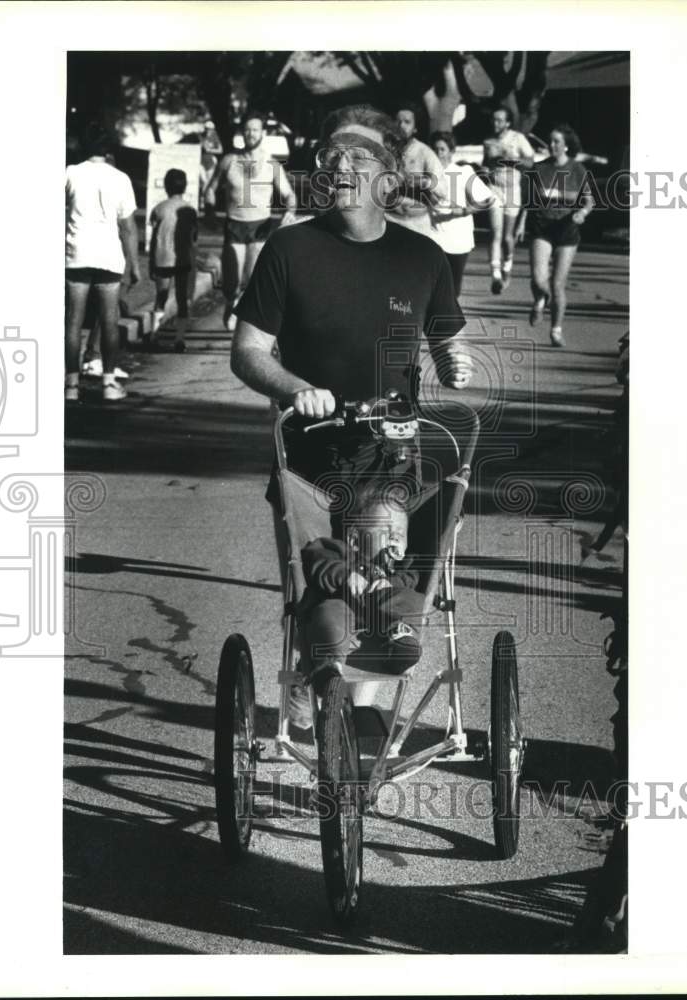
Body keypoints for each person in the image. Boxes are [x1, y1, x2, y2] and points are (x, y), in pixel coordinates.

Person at [229, 103, 472, 703]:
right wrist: (295, 389)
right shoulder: (288, 250)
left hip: (387, 451)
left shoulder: (422, 257)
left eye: (357, 157)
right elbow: (248, 351)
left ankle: (354, 717)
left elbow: (446, 336)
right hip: (307, 450)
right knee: (319, 585)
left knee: (376, 571)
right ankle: (328, 694)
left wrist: (454, 363)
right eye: (329, 156)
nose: (339, 166)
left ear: (388, 178)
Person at [289, 485, 424, 726]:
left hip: (383, 631)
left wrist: (389, 582)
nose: (393, 537)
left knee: (414, 601)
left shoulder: (405, 568)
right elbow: (315, 557)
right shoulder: (339, 552)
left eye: (400, 534)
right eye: (384, 530)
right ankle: (325, 671)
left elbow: (411, 581)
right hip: (341, 611)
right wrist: (346, 575)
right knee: (328, 614)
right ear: (354, 539)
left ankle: (402, 645)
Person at [65, 126, 140, 402]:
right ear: (108, 150)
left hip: (77, 254)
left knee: (73, 320)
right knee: (109, 320)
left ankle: (71, 385)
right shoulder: (120, 178)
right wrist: (135, 263)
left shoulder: (70, 173)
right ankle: (109, 383)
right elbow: (128, 227)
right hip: (109, 256)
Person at [216, 110, 298, 331]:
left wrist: (289, 211)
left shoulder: (272, 165)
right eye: (247, 130)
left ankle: (245, 322)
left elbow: (290, 195)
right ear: (242, 133)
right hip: (234, 224)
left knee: (251, 280)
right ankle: (230, 301)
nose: (251, 134)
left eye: (255, 130)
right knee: (231, 282)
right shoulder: (229, 161)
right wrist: (207, 212)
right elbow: (210, 189)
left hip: (260, 226)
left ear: (262, 133)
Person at [523, 123, 595, 347]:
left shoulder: (577, 170)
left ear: (566, 146)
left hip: (566, 231)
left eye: (556, 142)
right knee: (538, 278)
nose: (551, 145)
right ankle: (539, 300)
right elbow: (529, 202)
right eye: (550, 141)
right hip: (541, 228)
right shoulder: (538, 168)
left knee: (557, 284)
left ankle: (556, 330)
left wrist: (582, 213)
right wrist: (518, 226)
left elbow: (589, 200)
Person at [429, 130, 498, 297]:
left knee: (453, 288)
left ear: (452, 152)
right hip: (433, 237)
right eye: (435, 150)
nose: (438, 154)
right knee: (433, 286)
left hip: (458, 240)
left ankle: (447, 319)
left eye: (442, 149)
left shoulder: (463, 172)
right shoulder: (427, 175)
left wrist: (465, 210)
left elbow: (488, 200)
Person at [480, 106, 534, 294]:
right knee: (495, 232)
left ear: (508, 122)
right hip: (495, 188)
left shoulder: (518, 139)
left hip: (512, 190)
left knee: (507, 237)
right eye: (494, 120)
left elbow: (530, 162)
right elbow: (486, 164)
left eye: (500, 120)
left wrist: (510, 160)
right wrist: (485, 171)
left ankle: (507, 268)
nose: (496, 123)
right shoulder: (488, 141)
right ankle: (495, 275)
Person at [149, 167, 199, 352]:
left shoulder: (158, 208)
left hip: (162, 258)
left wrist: (150, 263)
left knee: (161, 297)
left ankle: (154, 333)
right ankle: (179, 338)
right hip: (183, 260)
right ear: (185, 187)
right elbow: (194, 238)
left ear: (165, 186)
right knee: (181, 299)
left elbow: (154, 237)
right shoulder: (190, 210)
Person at [385, 102, 448, 243]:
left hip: (417, 225)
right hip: (388, 221)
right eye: (397, 121)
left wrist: (425, 182)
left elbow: (443, 189)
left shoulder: (425, 153)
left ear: (415, 128)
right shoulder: (384, 151)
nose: (401, 125)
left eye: (407, 122)